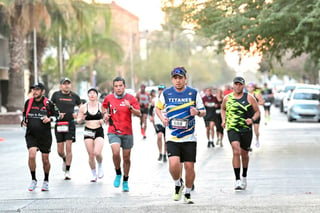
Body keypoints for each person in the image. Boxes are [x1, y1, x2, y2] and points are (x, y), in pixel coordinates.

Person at [155, 67, 205, 204]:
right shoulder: (166, 93)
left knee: (189, 167)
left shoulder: (193, 93)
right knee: (174, 164)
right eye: (175, 78)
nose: (178, 81)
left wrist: (197, 112)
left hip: (189, 137)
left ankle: (188, 193)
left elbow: (203, 111)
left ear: (185, 79)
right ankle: (178, 184)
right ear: (172, 79)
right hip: (172, 136)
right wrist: (162, 119)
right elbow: (158, 108)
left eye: (180, 78)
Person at [102, 77, 141, 192]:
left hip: (127, 132)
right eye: (116, 86)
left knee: (127, 158)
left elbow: (139, 113)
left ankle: (125, 180)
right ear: (113, 87)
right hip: (113, 130)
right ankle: (118, 172)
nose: (118, 88)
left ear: (124, 86)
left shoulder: (131, 98)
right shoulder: (109, 98)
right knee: (115, 152)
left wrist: (131, 107)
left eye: (120, 86)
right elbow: (103, 107)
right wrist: (105, 114)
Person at [221, 76, 260, 190]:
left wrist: (252, 120)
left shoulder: (249, 98)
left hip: (246, 129)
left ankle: (244, 176)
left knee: (244, 154)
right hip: (232, 128)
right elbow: (223, 109)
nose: (238, 86)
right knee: (236, 150)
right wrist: (224, 120)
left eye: (240, 84)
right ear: (233, 85)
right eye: (236, 84)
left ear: (243, 86)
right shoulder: (227, 98)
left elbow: (257, 111)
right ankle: (237, 179)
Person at [22, 83, 61, 191]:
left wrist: (50, 119)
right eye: (33, 89)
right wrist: (24, 121)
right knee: (31, 156)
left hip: (45, 136)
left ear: (43, 91)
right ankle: (33, 180)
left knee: (45, 160)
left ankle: (46, 180)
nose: (35, 92)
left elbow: (58, 115)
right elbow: (24, 114)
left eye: (37, 90)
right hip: (31, 135)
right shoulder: (28, 102)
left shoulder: (48, 103)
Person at [51, 77, 81, 180]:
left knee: (69, 147)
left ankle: (67, 171)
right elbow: (50, 107)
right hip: (59, 124)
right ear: (61, 85)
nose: (66, 85)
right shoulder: (56, 95)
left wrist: (77, 114)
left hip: (70, 124)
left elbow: (82, 108)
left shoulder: (75, 96)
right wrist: (57, 114)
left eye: (68, 84)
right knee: (60, 151)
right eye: (64, 84)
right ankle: (64, 159)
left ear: (70, 85)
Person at [77, 88, 105, 182]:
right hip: (88, 131)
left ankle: (100, 166)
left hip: (98, 131)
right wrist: (81, 119)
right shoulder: (83, 107)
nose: (92, 95)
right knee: (91, 154)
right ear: (88, 95)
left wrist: (103, 120)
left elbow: (106, 117)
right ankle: (94, 174)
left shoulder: (101, 106)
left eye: (94, 93)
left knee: (97, 152)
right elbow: (78, 120)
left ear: (97, 95)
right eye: (90, 93)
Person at [149, 85, 167, 162]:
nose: (161, 91)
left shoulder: (168, 99)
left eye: (162, 89)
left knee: (166, 139)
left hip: (166, 121)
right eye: (160, 90)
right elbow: (150, 109)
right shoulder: (155, 100)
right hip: (158, 121)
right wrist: (150, 116)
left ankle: (164, 154)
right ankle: (160, 152)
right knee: (159, 136)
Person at [247, 82, 264, 148]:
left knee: (256, 131)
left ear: (253, 88)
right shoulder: (245, 95)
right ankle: (249, 144)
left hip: (256, 114)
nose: (249, 88)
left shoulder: (256, 95)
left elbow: (262, 102)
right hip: (248, 114)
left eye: (251, 87)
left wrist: (256, 103)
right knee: (248, 131)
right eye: (248, 87)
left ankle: (257, 139)